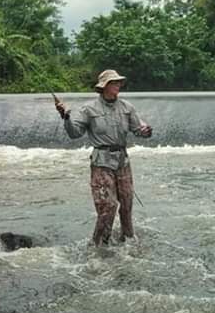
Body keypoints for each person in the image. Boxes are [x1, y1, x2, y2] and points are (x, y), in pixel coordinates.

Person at [55, 69, 153, 245]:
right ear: (104, 87)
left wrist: (146, 131)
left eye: (118, 82)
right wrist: (66, 117)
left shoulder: (127, 107)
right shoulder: (89, 109)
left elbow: (138, 130)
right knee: (107, 206)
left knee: (127, 204)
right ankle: (98, 244)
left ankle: (128, 242)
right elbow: (74, 133)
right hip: (101, 163)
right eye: (114, 83)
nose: (118, 85)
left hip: (123, 162)